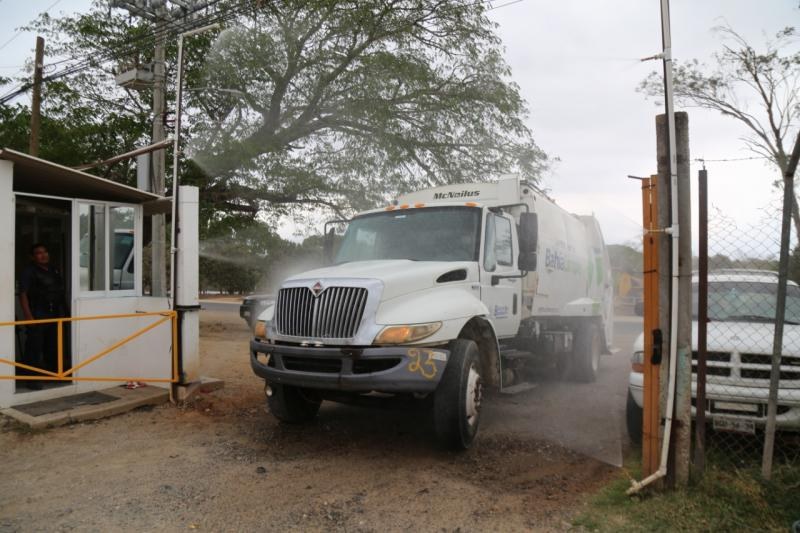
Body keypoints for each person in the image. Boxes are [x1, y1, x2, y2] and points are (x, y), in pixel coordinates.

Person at [18, 243, 66, 390]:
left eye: (45, 252)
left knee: (52, 346)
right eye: (39, 253)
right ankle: (32, 379)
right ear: (32, 257)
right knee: (34, 347)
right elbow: (23, 293)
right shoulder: (29, 272)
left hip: (53, 314)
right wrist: (28, 316)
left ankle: (53, 375)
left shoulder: (54, 270)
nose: (43, 255)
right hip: (37, 314)